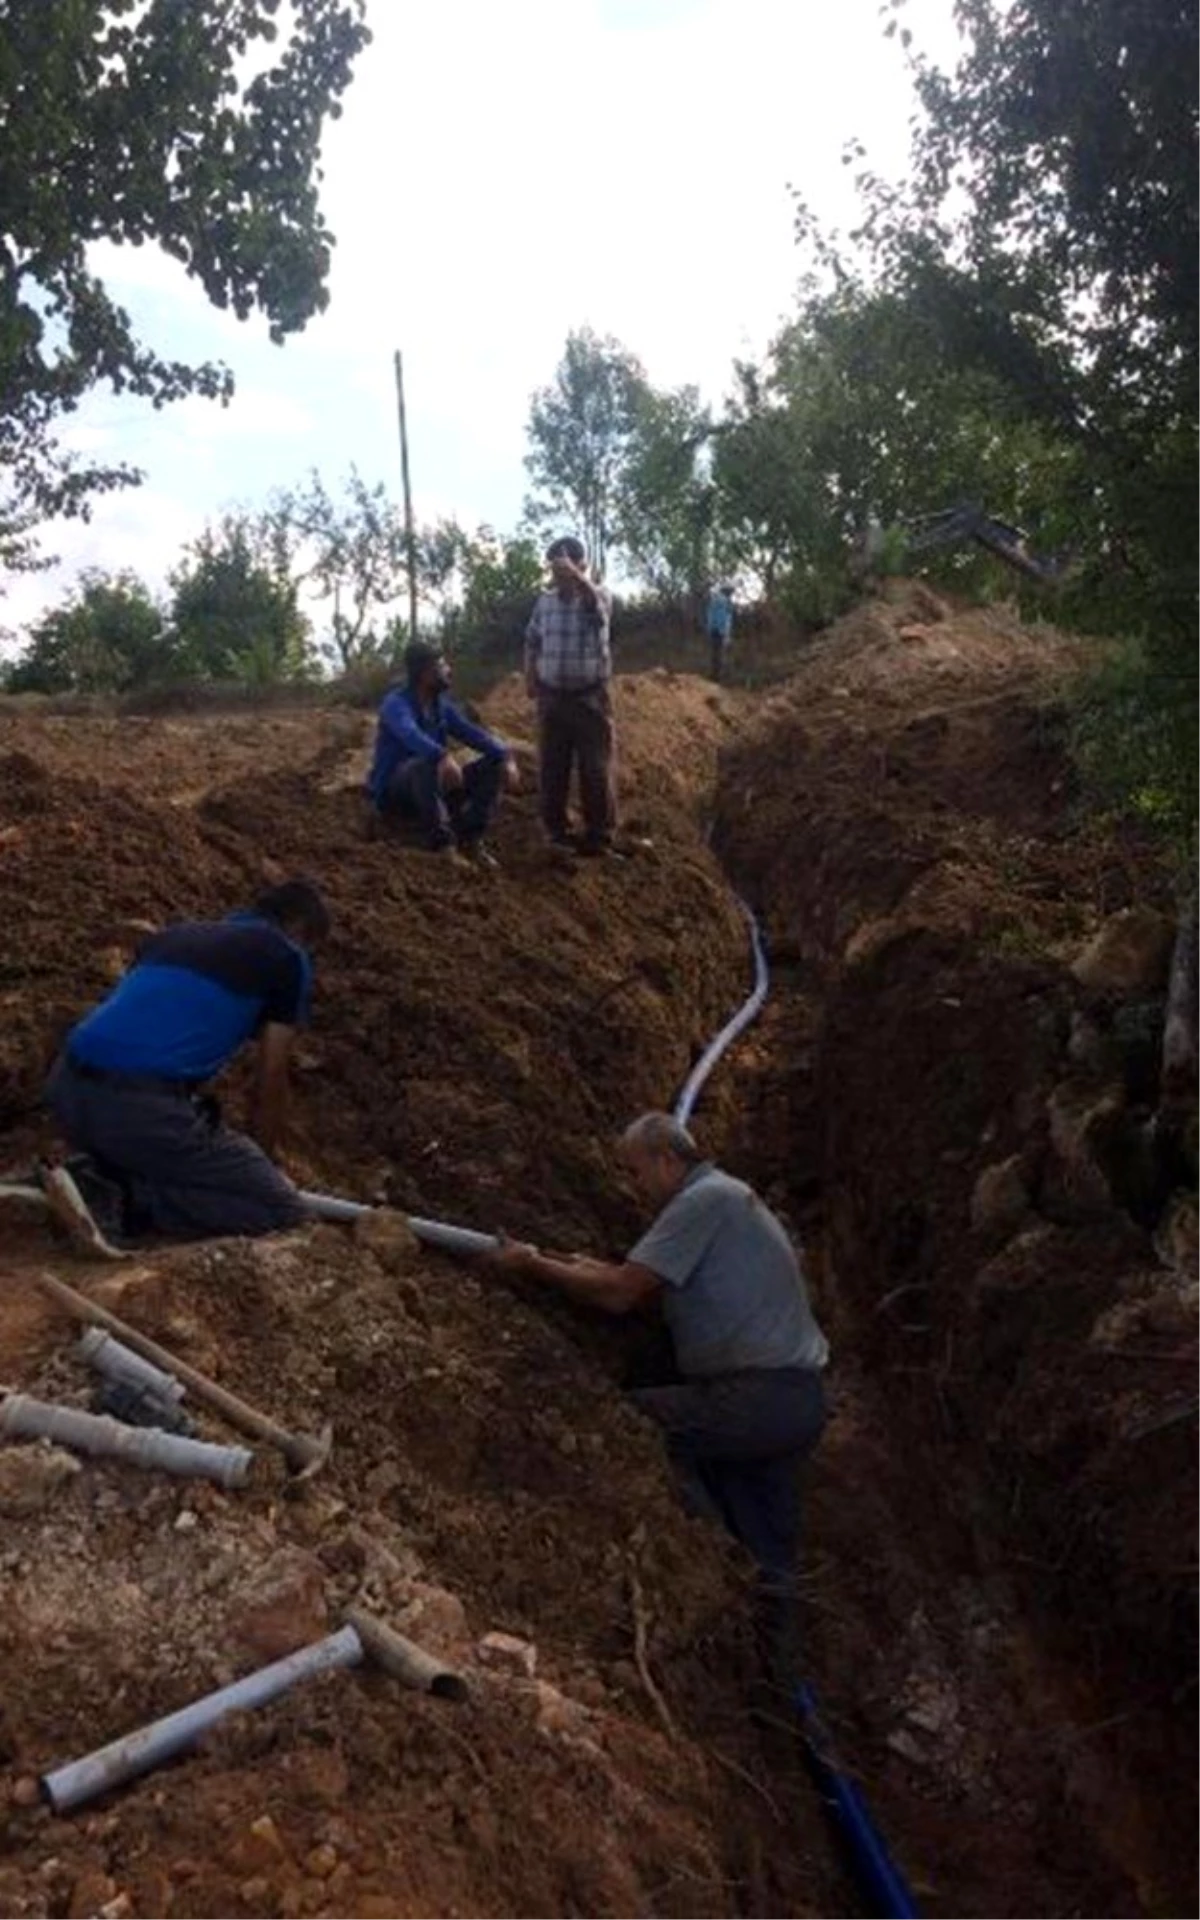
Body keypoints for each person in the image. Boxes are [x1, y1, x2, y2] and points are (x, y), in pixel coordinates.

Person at [490, 1112, 829, 1684]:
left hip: (753, 1401)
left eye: (636, 1172)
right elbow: (637, 1278)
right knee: (767, 1547)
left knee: (635, 1422)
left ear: (667, 1161)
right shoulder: (726, 1198)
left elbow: (623, 1294)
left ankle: (706, 1566)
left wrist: (533, 1267)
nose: (633, 1187)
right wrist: (574, 1264)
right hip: (794, 1403)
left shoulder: (699, 1203)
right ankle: (777, 1679)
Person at [45, 880, 330, 1243]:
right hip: (134, 1111)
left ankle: (98, 1173)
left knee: (167, 1138)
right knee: (284, 1213)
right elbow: (271, 1074)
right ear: (301, 930)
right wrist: (267, 1163)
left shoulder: (176, 935)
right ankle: (127, 1200)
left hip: (65, 1089)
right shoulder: (288, 957)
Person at [367, 641, 518, 865]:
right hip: (396, 791)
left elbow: (473, 734)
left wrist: (505, 755)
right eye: (442, 665)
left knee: (493, 765)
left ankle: (471, 837)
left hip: (434, 784)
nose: (448, 670)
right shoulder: (396, 704)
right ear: (425, 672)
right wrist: (442, 756)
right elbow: (410, 734)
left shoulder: (442, 706)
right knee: (425, 764)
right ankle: (443, 844)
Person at [525, 536, 617, 856]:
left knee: (595, 768)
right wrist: (530, 675)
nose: (557, 574)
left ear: (582, 564)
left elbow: (598, 612)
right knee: (553, 767)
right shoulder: (544, 601)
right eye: (553, 567)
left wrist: (578, 580)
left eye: (563, 566)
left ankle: (599, 836)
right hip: (552, 698)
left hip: (589, 698)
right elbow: (532, 639)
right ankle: (556, 833)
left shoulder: (599, 595)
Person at [705, 584, 734, 682]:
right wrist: (727, 635)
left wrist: (709, 628)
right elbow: (727, 620)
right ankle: (718, 677)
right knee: (720, 654)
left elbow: (710, 616)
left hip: (714, 629)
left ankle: (714, 675)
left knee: (715, 653)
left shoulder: (714, 601)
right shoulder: (727, 603)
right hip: (722, 630)